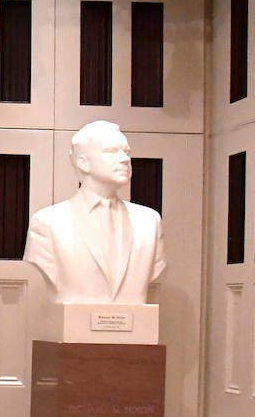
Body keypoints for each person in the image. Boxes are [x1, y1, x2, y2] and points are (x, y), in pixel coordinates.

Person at [23, 120, 166, 305]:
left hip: (133, 328)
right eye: (111, 151)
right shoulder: (48, 222)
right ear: (83, 162)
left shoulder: (149, 221)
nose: (125, 159)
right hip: (73, 328)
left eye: (127, 152)